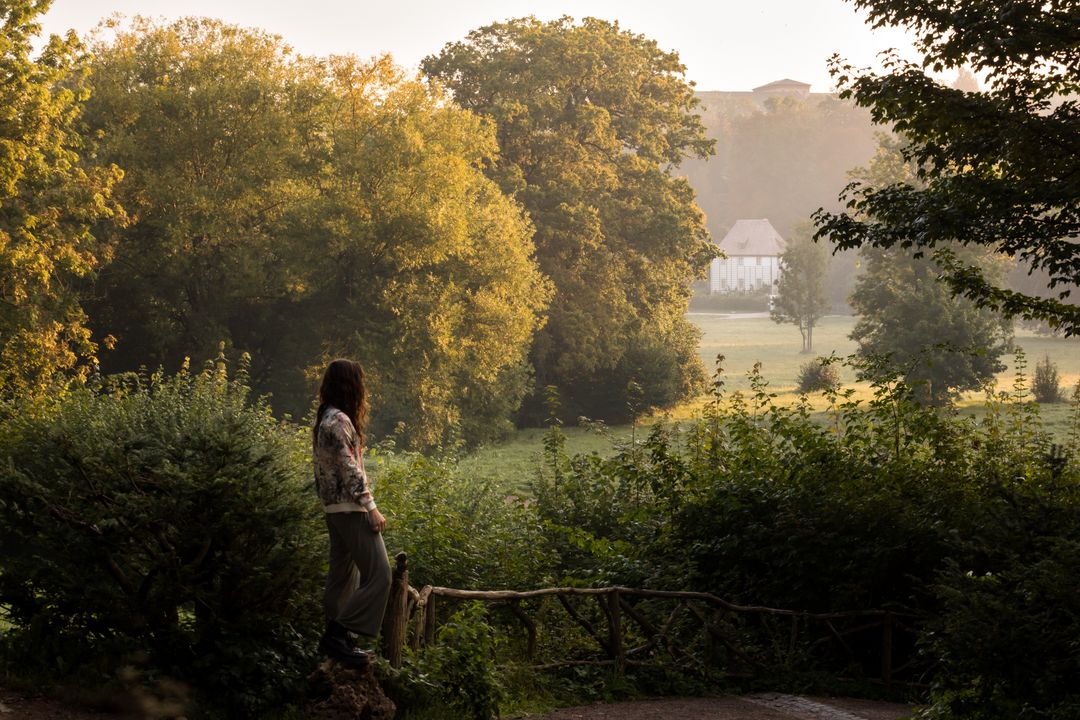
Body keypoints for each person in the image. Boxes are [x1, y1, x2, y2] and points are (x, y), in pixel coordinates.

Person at [312, 359, 391, 668]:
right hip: (350, 507)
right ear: (350, 385)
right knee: (380, 575)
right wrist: (370, 507)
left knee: (342, 577)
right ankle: (338, 634)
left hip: (333, 507)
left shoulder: (325, 419)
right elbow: (349, 468)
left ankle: (338, 643)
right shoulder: (340, 421)